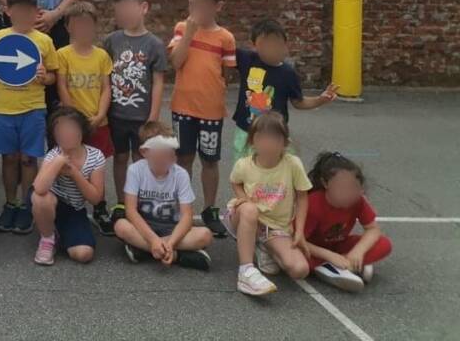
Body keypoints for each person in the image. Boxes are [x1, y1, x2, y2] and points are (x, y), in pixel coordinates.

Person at [0, 0, 59, 236]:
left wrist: (44, 76)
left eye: (29, 11)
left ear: (36, 12)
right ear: (8, 11)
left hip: (33, 108)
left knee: (29, 158)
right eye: (18, 11)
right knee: (9, 158)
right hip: (2, 107)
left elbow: (53, 76)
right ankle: (11, 203)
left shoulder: (44, 40)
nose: (23, 16)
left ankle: (27, 205)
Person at [168, 0, 236, 237]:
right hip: (183, 107)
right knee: (183, 158)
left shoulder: (225, 38)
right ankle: (182, 207)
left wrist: (218, 99)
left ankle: (209, 209)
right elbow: (176, 62)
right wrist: (189, 33)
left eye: (203, 5)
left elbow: (226, 74)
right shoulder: (181, 28)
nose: (196, 11)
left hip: (210, 110)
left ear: (217, 6)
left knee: (210, 160)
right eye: (192, 5)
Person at [223, 112, 312, 296]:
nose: (268, 143)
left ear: (285, 143)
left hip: (275, 227)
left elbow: (303, 196)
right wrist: (243, 198)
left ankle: (263, 247)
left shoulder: (293, 164)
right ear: (252, 141)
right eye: (261, 137)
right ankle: (246, 271)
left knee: (299, 269)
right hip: (244, 218)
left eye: (274, 138)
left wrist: (300, 232)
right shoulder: (244, 165)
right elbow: (235, 182)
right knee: (249, 209)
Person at [101, 0, 167, 231]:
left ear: (143, 7)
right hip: (117, 114)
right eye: (120, 11)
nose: (125, 15)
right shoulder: (112, 41)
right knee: (119, 157)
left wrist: (153, 115)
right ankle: (121, 202)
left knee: (141, 159)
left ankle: (138, 202)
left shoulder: (154, 44)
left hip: (142, 115)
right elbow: (105, 77)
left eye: (130, 9)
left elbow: (159, 81)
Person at [113, 121, 213, 271]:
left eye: (170, 153)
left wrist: (170, 243)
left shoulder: (180, 174)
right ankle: (178, 256)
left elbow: (187, 216)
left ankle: (146, 250)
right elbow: (131, 211)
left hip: (173, 229)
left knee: (205, 235)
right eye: (162, 153)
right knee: (120, 226)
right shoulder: (135, 170)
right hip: (145, 227)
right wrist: (152, 239)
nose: (168, 159)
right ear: (145, 152)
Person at [232, 19, 338, 159]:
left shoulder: (287, 73)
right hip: (246, 131)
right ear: (254, 46)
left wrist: (320, 100)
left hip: (275, 133)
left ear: (285, 46)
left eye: (276, 44)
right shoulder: (247, 60)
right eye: (265, 45)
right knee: (244, 172)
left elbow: (299, 102)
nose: (271, 49)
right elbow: (221, 46)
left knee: (276, 172)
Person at [55, 2, 113, 230]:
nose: (83, 30)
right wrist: (74, 118)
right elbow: (62, 86)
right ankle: (67, 203)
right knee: (70, 162)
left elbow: (106, 88)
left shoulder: (102, 56)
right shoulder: (63, 54)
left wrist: (100, 115)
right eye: (78, 25)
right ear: (69, 28)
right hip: (73, 122)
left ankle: (99, 206)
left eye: (88, 25)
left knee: (96, 165)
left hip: (97, 121)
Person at [304, 152, 392, 292]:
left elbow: (373, 229)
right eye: (341, 188)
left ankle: (345, 264)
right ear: (325, 183)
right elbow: (298, 241)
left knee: (384, 244)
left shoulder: (358, 200)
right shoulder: (314, 203)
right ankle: (333, 266)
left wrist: (358, 251)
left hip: (338, 245)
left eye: (353, 187)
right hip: (313, 249)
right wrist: (330, 256)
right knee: (297, 263)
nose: (347, 193)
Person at [30, 107, 106, 265]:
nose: (66, 134)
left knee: (84, 254)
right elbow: (39, 188)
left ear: (82, 131)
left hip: (74, 209)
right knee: (40, 198)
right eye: (60, 131)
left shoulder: (96, 156)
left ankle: (58, 231)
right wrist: (58, 162)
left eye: (71, 129)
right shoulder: (53, 154)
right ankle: (47, 238)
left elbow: (95, 198)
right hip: (52, 203)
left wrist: (74, 173)